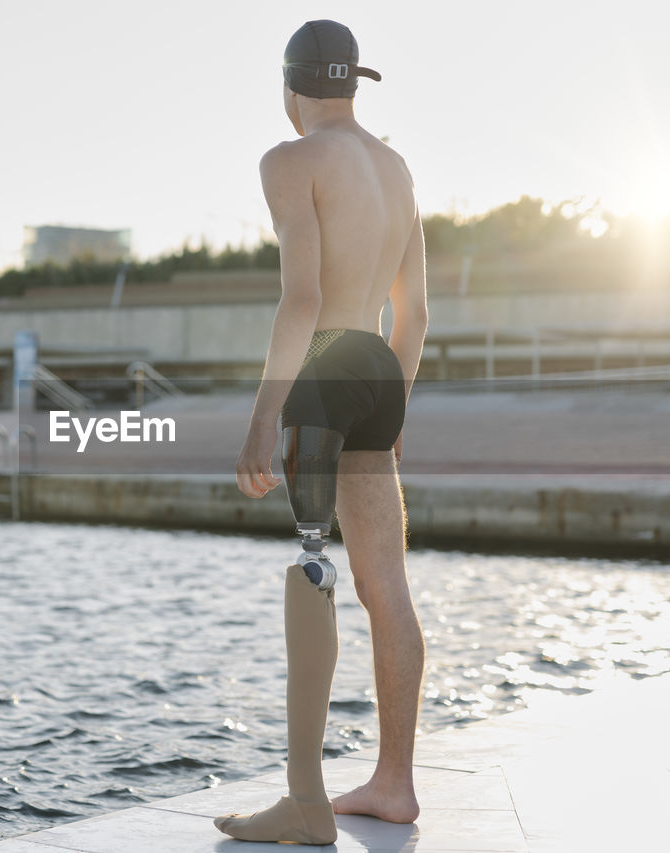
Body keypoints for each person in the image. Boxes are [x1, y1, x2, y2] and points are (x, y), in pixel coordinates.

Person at [215, 19, 429, 845]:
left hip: (325, 368)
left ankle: (305, 803)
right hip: (378, 367)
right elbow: (415, 314)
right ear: (352, 83)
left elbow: (301, 300)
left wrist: (263, 416)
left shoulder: (288, 160)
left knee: (311, 564)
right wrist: (396, 405)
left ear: (290, 88)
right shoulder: (398, 168)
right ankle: (395, 785)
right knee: (386, 586)